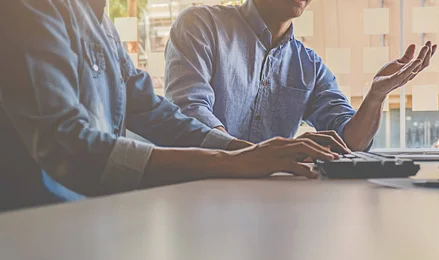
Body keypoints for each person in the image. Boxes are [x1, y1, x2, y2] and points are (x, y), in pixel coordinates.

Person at [0, 0, 345, 211]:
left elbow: (152, 110)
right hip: (34, 235)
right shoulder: (30, 7)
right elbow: (67, 145)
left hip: (92, 224)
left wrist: (246, 152)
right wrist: (228, 161)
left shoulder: (99, 19)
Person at [165, 0, 436, 152]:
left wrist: (376, 97)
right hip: (199, 195)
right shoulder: (200, 25)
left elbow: (351, 141)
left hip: (273, 203)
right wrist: (260, 156)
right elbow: (190, 114)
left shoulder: (308, 65)